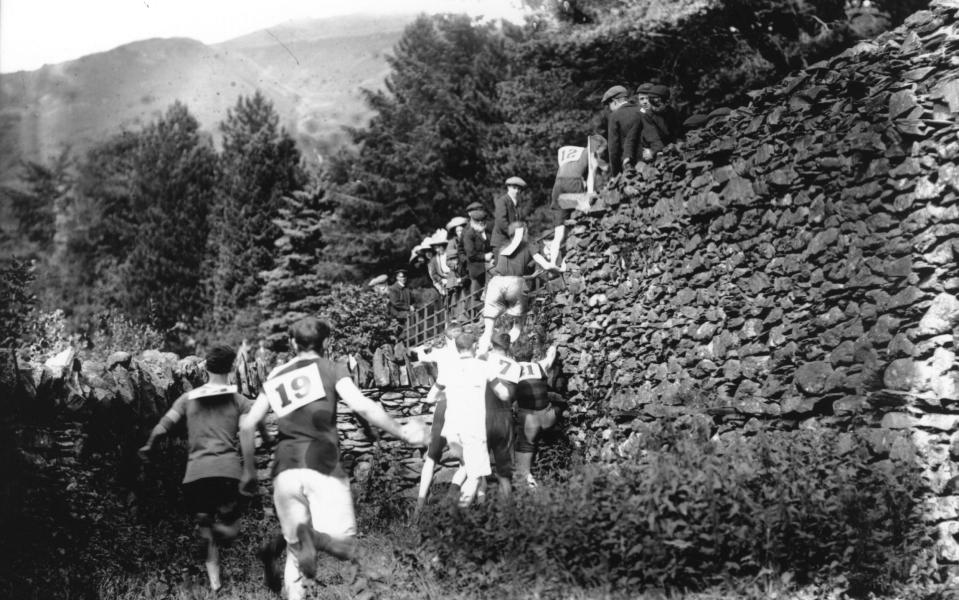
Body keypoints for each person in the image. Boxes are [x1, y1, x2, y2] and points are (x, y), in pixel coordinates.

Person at [239, 317, 427, 600]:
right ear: (327, 343)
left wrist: (250, 471)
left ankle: (291, 562)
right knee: (344, 544)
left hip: (285, 472)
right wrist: (401, 431)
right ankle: (313, 545)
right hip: (322, 466)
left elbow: (247, 424)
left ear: (291, 344)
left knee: (296, 550)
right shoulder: (330, 368)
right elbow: (362, 405)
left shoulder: (276, 375)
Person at [138, 344, 270, 593]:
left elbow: (162, 427)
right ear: (231, 368)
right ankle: (213, 538)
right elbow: (248, 430)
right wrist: (254, 461)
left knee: (205, 527)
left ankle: (215, 583)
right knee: (231, 529)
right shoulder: (238, 400)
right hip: (226, 472)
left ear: (206, 368)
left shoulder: (187, 399)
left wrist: (149, 446)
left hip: (195, 476)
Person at [433, 331, 511, 508]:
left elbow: (431, 397)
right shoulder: (483, 366)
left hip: (452, 429)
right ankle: (456, 519)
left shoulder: (448, 368)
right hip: (473, 429)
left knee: (469, 469)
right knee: (474, 476)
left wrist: (452, 393)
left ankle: (477, 510)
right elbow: (504, 394)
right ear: (474, 346)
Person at [479, 221, 559, 351]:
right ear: (524, 232)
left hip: (496, 282)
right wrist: (559, 269)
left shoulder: (503, 247)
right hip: (515, 284)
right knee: (517, 326)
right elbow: (545, 265)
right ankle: (506, 351)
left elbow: (504, 268)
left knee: (488, 329)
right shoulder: (528, 245)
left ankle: (484, 351)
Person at [549, 134, 608, 265]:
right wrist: (588, 197)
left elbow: (560, 151)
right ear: (597, 147)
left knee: (559, 231)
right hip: (574, 183)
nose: (601, 154)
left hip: (558, 185)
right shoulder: (591, 153)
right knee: (578, 221)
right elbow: (591, 175)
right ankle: (567, 262)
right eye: (602, 151)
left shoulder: (569, 150)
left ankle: (552, 262)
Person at [510, 337, 560, 488]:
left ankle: (529, 486)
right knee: (559, 403)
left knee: (523, 457)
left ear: (514, 356)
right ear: (531, 354)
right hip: (549, 417)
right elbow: (551, 354)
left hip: (529, 421)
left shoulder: (513, 370)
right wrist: (553, 345)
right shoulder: (540, 366)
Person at [602, 85, 643, 177]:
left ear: (615, 101)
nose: (609, 109)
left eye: (609, 105)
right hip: (648, 161)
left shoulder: (614, 116)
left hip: (629, 165)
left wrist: (615, 174)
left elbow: (613, 149)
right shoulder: (642, 110)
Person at [462, 202, 492, 303]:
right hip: (477, 270)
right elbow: (471, 255)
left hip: (490, 267)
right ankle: (477, 316)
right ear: (473, 221)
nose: (481, 223)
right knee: (476, 297)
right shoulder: (469, 234)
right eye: (478, 221)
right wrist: (485, 257)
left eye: (483, 221)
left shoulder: (488, 232)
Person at [491, 176, 526, 252]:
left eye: (519, 189)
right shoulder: (502, 201)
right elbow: (501, 221)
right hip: (501, 242)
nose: (517, 191)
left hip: (512, 242)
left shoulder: (518, 204)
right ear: (508, 187)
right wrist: (514, 234)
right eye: (514, 188)